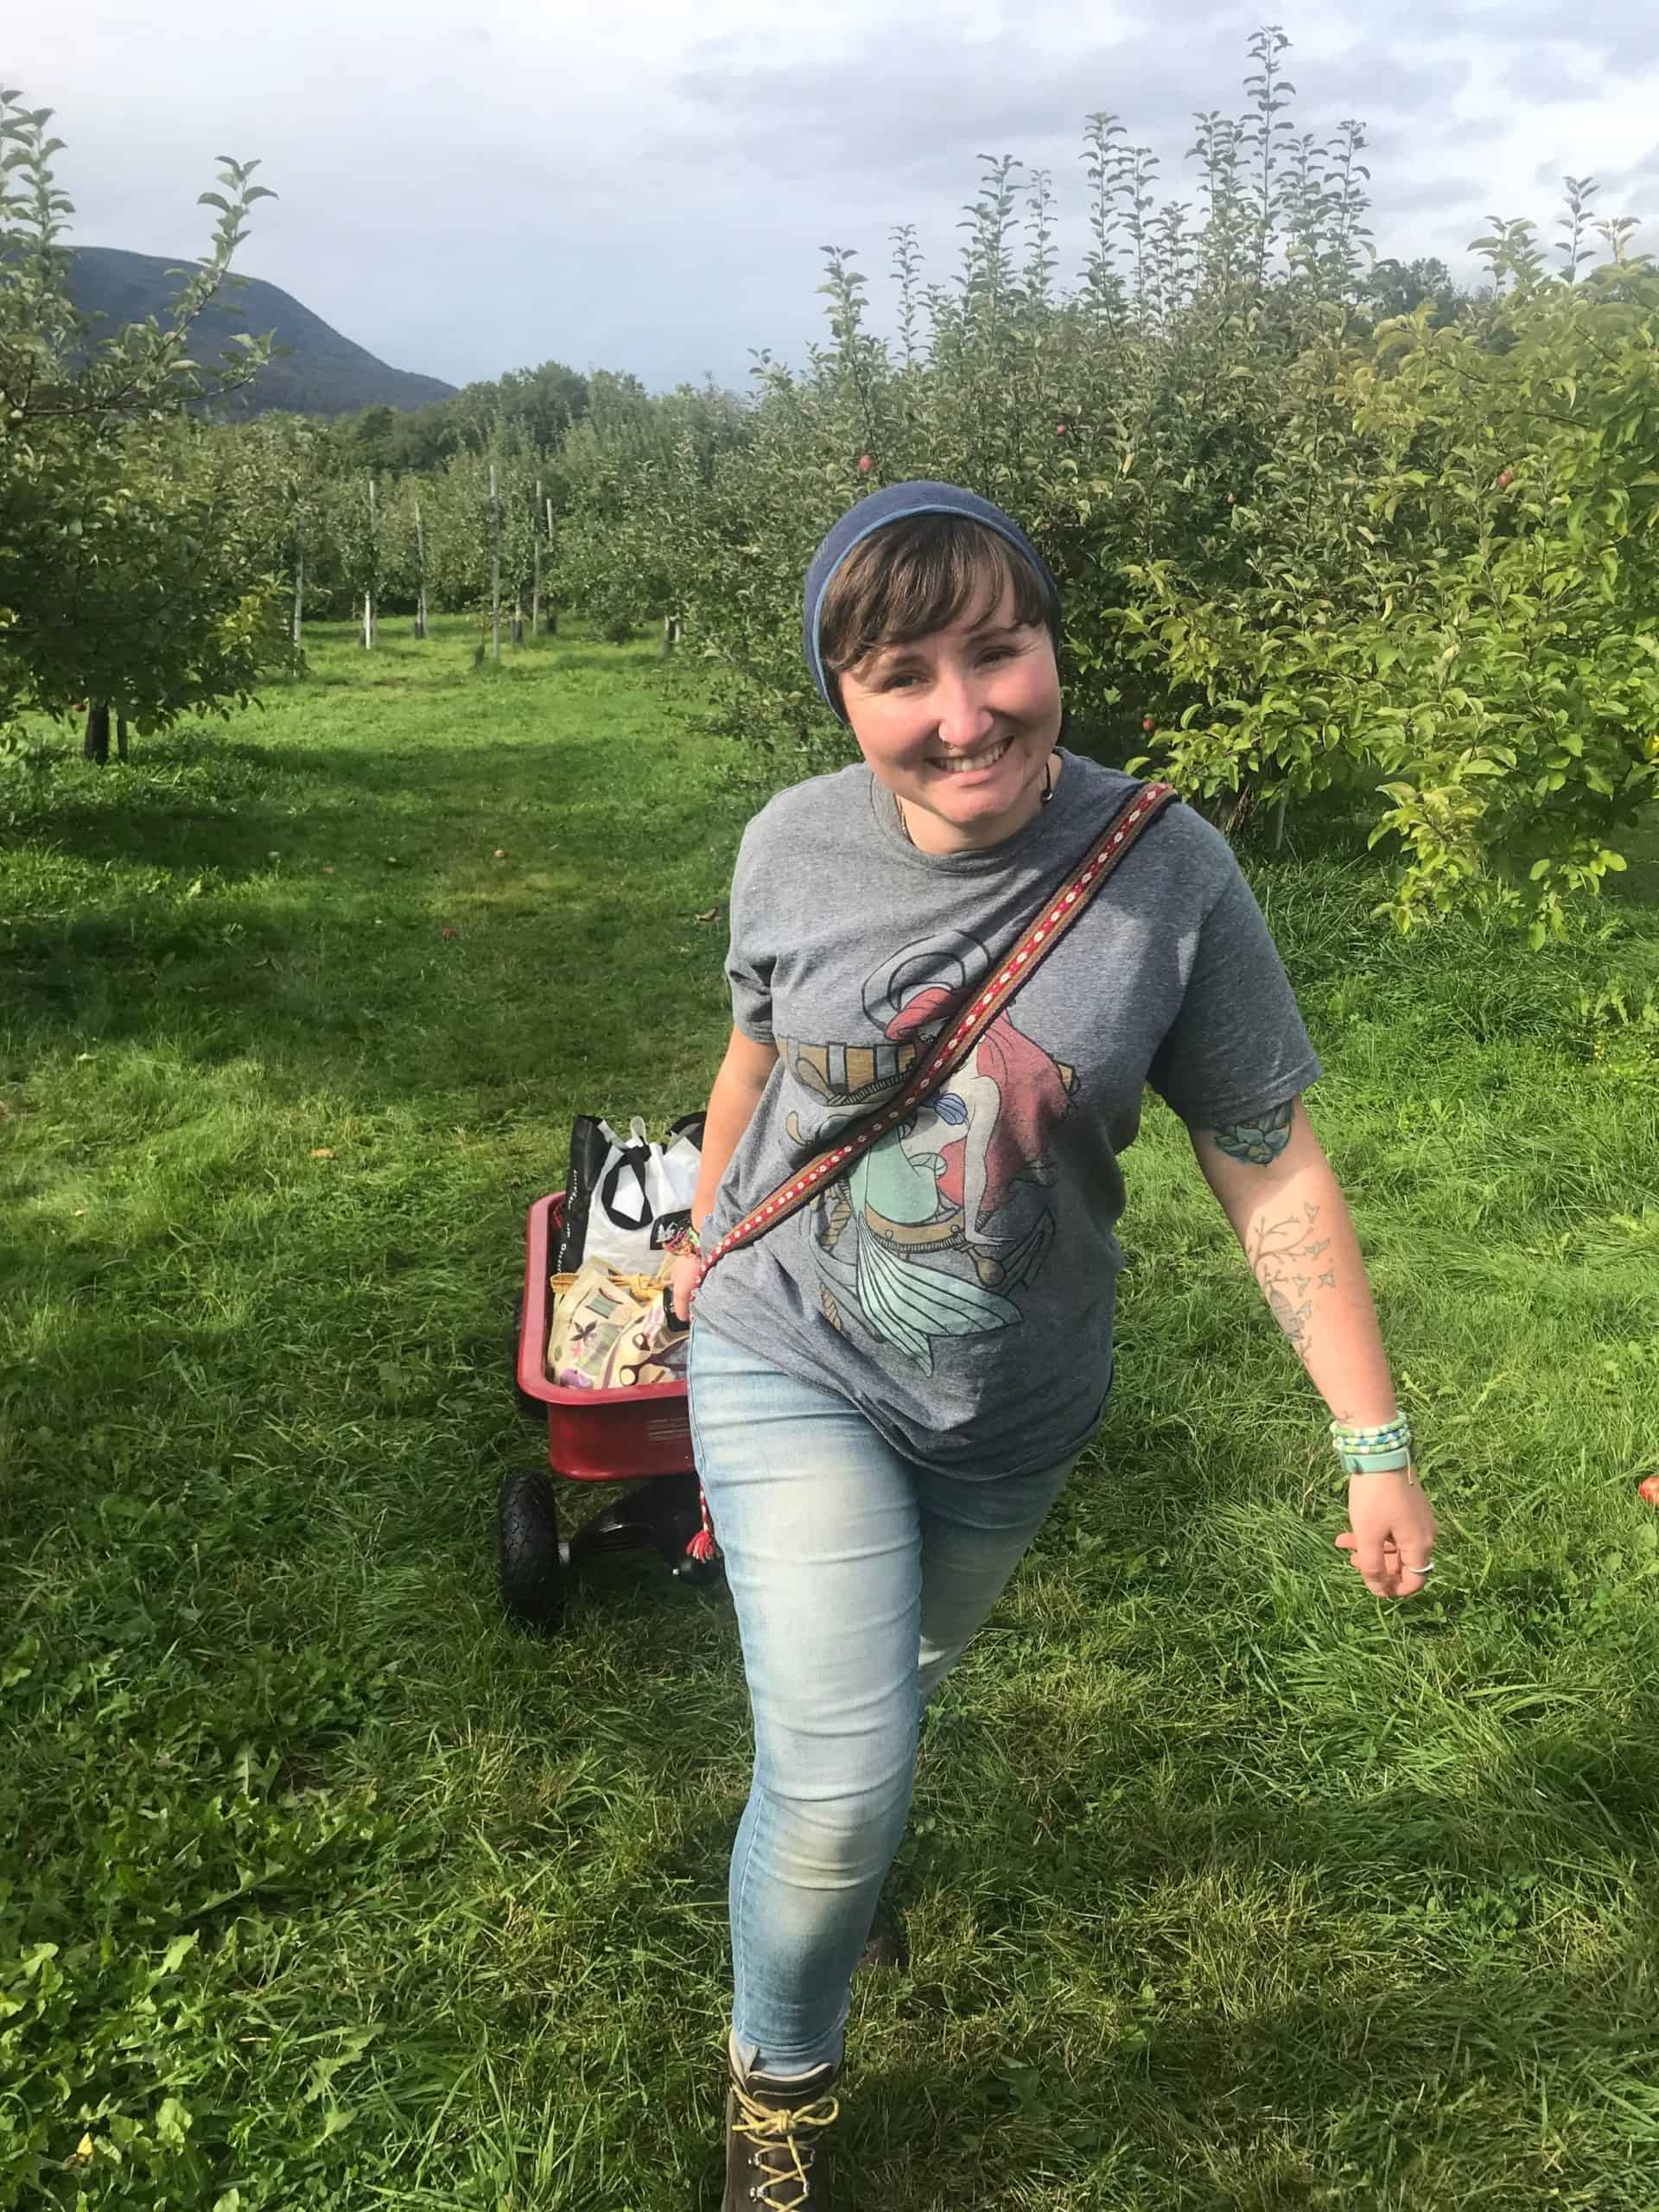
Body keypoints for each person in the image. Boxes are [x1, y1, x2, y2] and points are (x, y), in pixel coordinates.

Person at [664, 481, 1438, 2209]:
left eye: (998, 650)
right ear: (843, 701)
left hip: (1016, 1400)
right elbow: (750, 1059)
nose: (963, 714)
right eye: (901, 676)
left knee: (894, 1694)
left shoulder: (1170, 871)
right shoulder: (791, 843)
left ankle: (828, 1867)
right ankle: (779, 2090)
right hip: (791, 1343)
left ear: (1049, 645)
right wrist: (700, 1239)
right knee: (849, 1769)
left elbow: (1268, 1150)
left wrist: (1373, 1443)